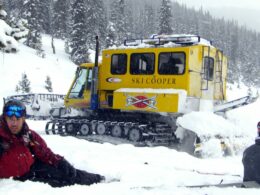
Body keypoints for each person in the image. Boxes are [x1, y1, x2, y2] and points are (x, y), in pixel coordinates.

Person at [0, 99, 104, 187]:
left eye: (17, 119)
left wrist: (60, 162)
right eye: (10, 119)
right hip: (15, 183)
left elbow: (45, 153)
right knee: (59, 184)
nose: (14, 123)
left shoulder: (29, 135)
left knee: (67, 173)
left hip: (32, 170)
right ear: (5, 118)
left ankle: (98, 179)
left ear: (23, 119)